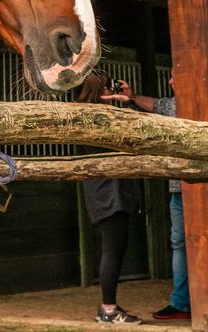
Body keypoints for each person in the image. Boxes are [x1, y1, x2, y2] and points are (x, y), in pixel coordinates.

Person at [101, 79, 190, 320]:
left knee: (185, 244)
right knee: (179, 244)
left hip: (195, 188)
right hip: (179, 188)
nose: (171, 80)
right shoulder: (173, 104)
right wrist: (131, 98)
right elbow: (158, 105)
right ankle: (182, 303)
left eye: (175, 75)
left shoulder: (191, 104)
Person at [78, 72, 143, 325]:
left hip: (109, 191)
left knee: (116, 249)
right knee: (112, 250)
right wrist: (124, 104)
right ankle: (108, 309)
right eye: (109, 87)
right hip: (108, 192)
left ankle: (108, 306)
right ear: (101, 89)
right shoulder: (93, 116)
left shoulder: (94, 112)